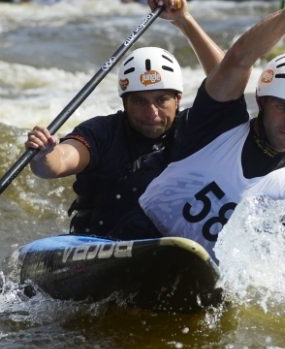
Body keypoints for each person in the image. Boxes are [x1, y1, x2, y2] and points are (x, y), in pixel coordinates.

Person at [133, 0, 285, 262]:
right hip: (138, 234)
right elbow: (240, 57)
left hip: (201, 276)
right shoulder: (220, 119)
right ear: (262, 102)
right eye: (282, 107)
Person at [25, 0, 224, 238]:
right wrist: (44, 154)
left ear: (178, 99)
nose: (152, 113)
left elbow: (231, 76)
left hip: (170, 247)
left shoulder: (193, 130)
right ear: (124, 102)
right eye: (140, 101)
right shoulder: (102, 132)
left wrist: (184, 21)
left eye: (161, 100)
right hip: (96, 244)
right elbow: (59, 162)